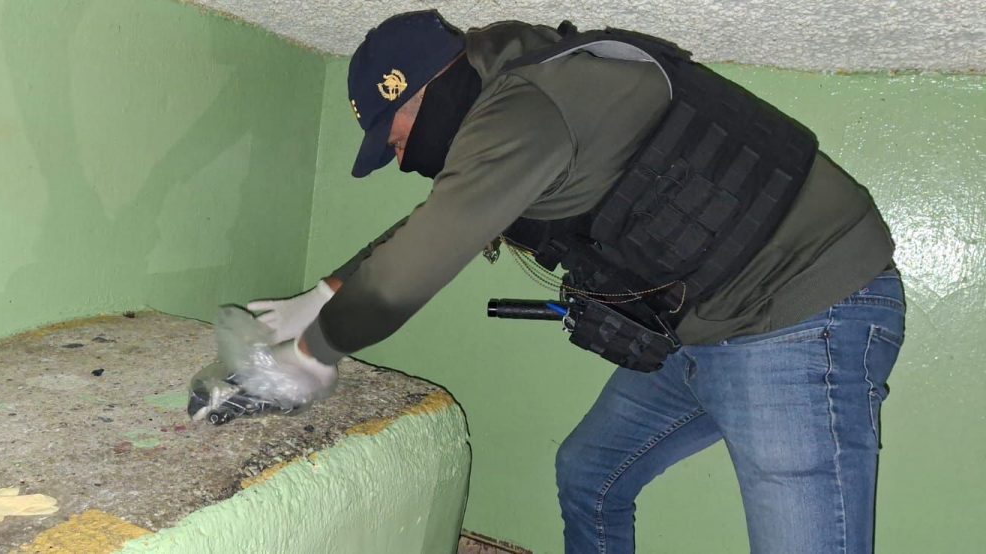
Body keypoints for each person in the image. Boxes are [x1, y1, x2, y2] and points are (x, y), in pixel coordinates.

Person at [218, 10, 906, 554]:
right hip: (710, 328)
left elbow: (417, 262)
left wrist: (312, 354)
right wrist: (322, 296)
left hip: (801, 309)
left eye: (392, 137)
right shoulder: (511, 103)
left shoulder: (525, 107)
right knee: (590, 475)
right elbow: (438, 222)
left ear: (417, 88)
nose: (398, 159)